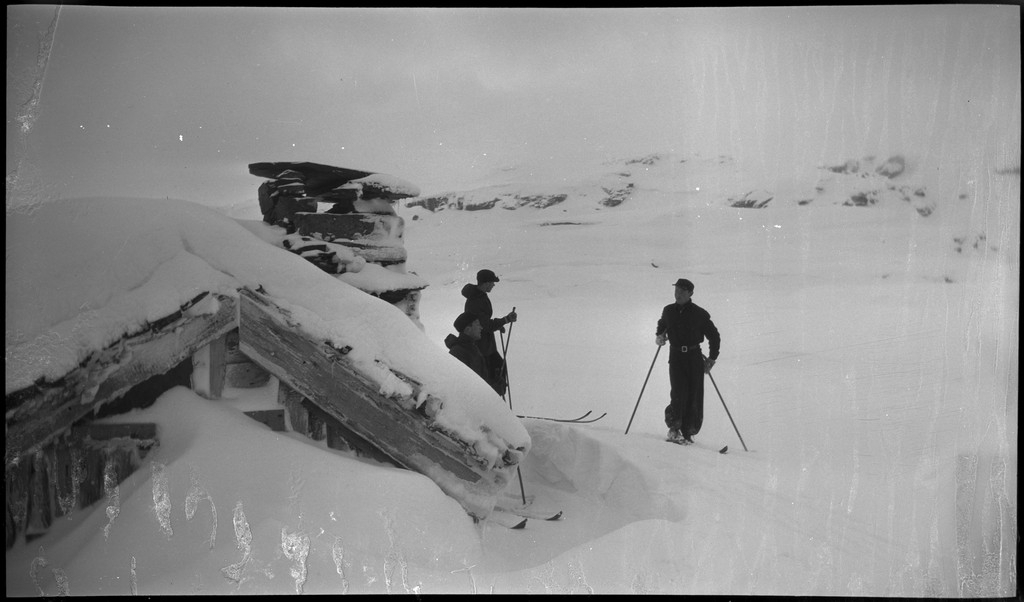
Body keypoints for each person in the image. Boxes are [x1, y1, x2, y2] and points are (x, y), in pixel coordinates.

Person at [655, 278, 721, 445]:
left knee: (694, 395)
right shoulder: (668, 310)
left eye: (682, 292)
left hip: (694, 357)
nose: (678, 294)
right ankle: (674, 428)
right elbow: (662, 325)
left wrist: (712, 358)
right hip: (676, 356)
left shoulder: (700, 314)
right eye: (676, 291)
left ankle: (688, 432)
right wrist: (660, 336)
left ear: (690, 293)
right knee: (677, 392)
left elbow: (714, 336)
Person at [461, 269, 517, 396]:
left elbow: (484, 321)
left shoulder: (479, 296)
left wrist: (498, 326)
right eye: (492, 282)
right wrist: (505, 320)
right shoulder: (476, 300)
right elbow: (484, 325)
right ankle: (493, 406)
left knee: (497, 370)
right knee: (492, 375)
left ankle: (496, 405)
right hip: (482, 347)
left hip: (486, 345)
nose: (493, 285)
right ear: (486, 283)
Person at [444, 312, 489, 382]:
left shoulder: (473, 349)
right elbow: (464, 383)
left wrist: (494, 387)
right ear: (468, 329)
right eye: (478, 324)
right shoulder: (458, 352)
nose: (481, 328)